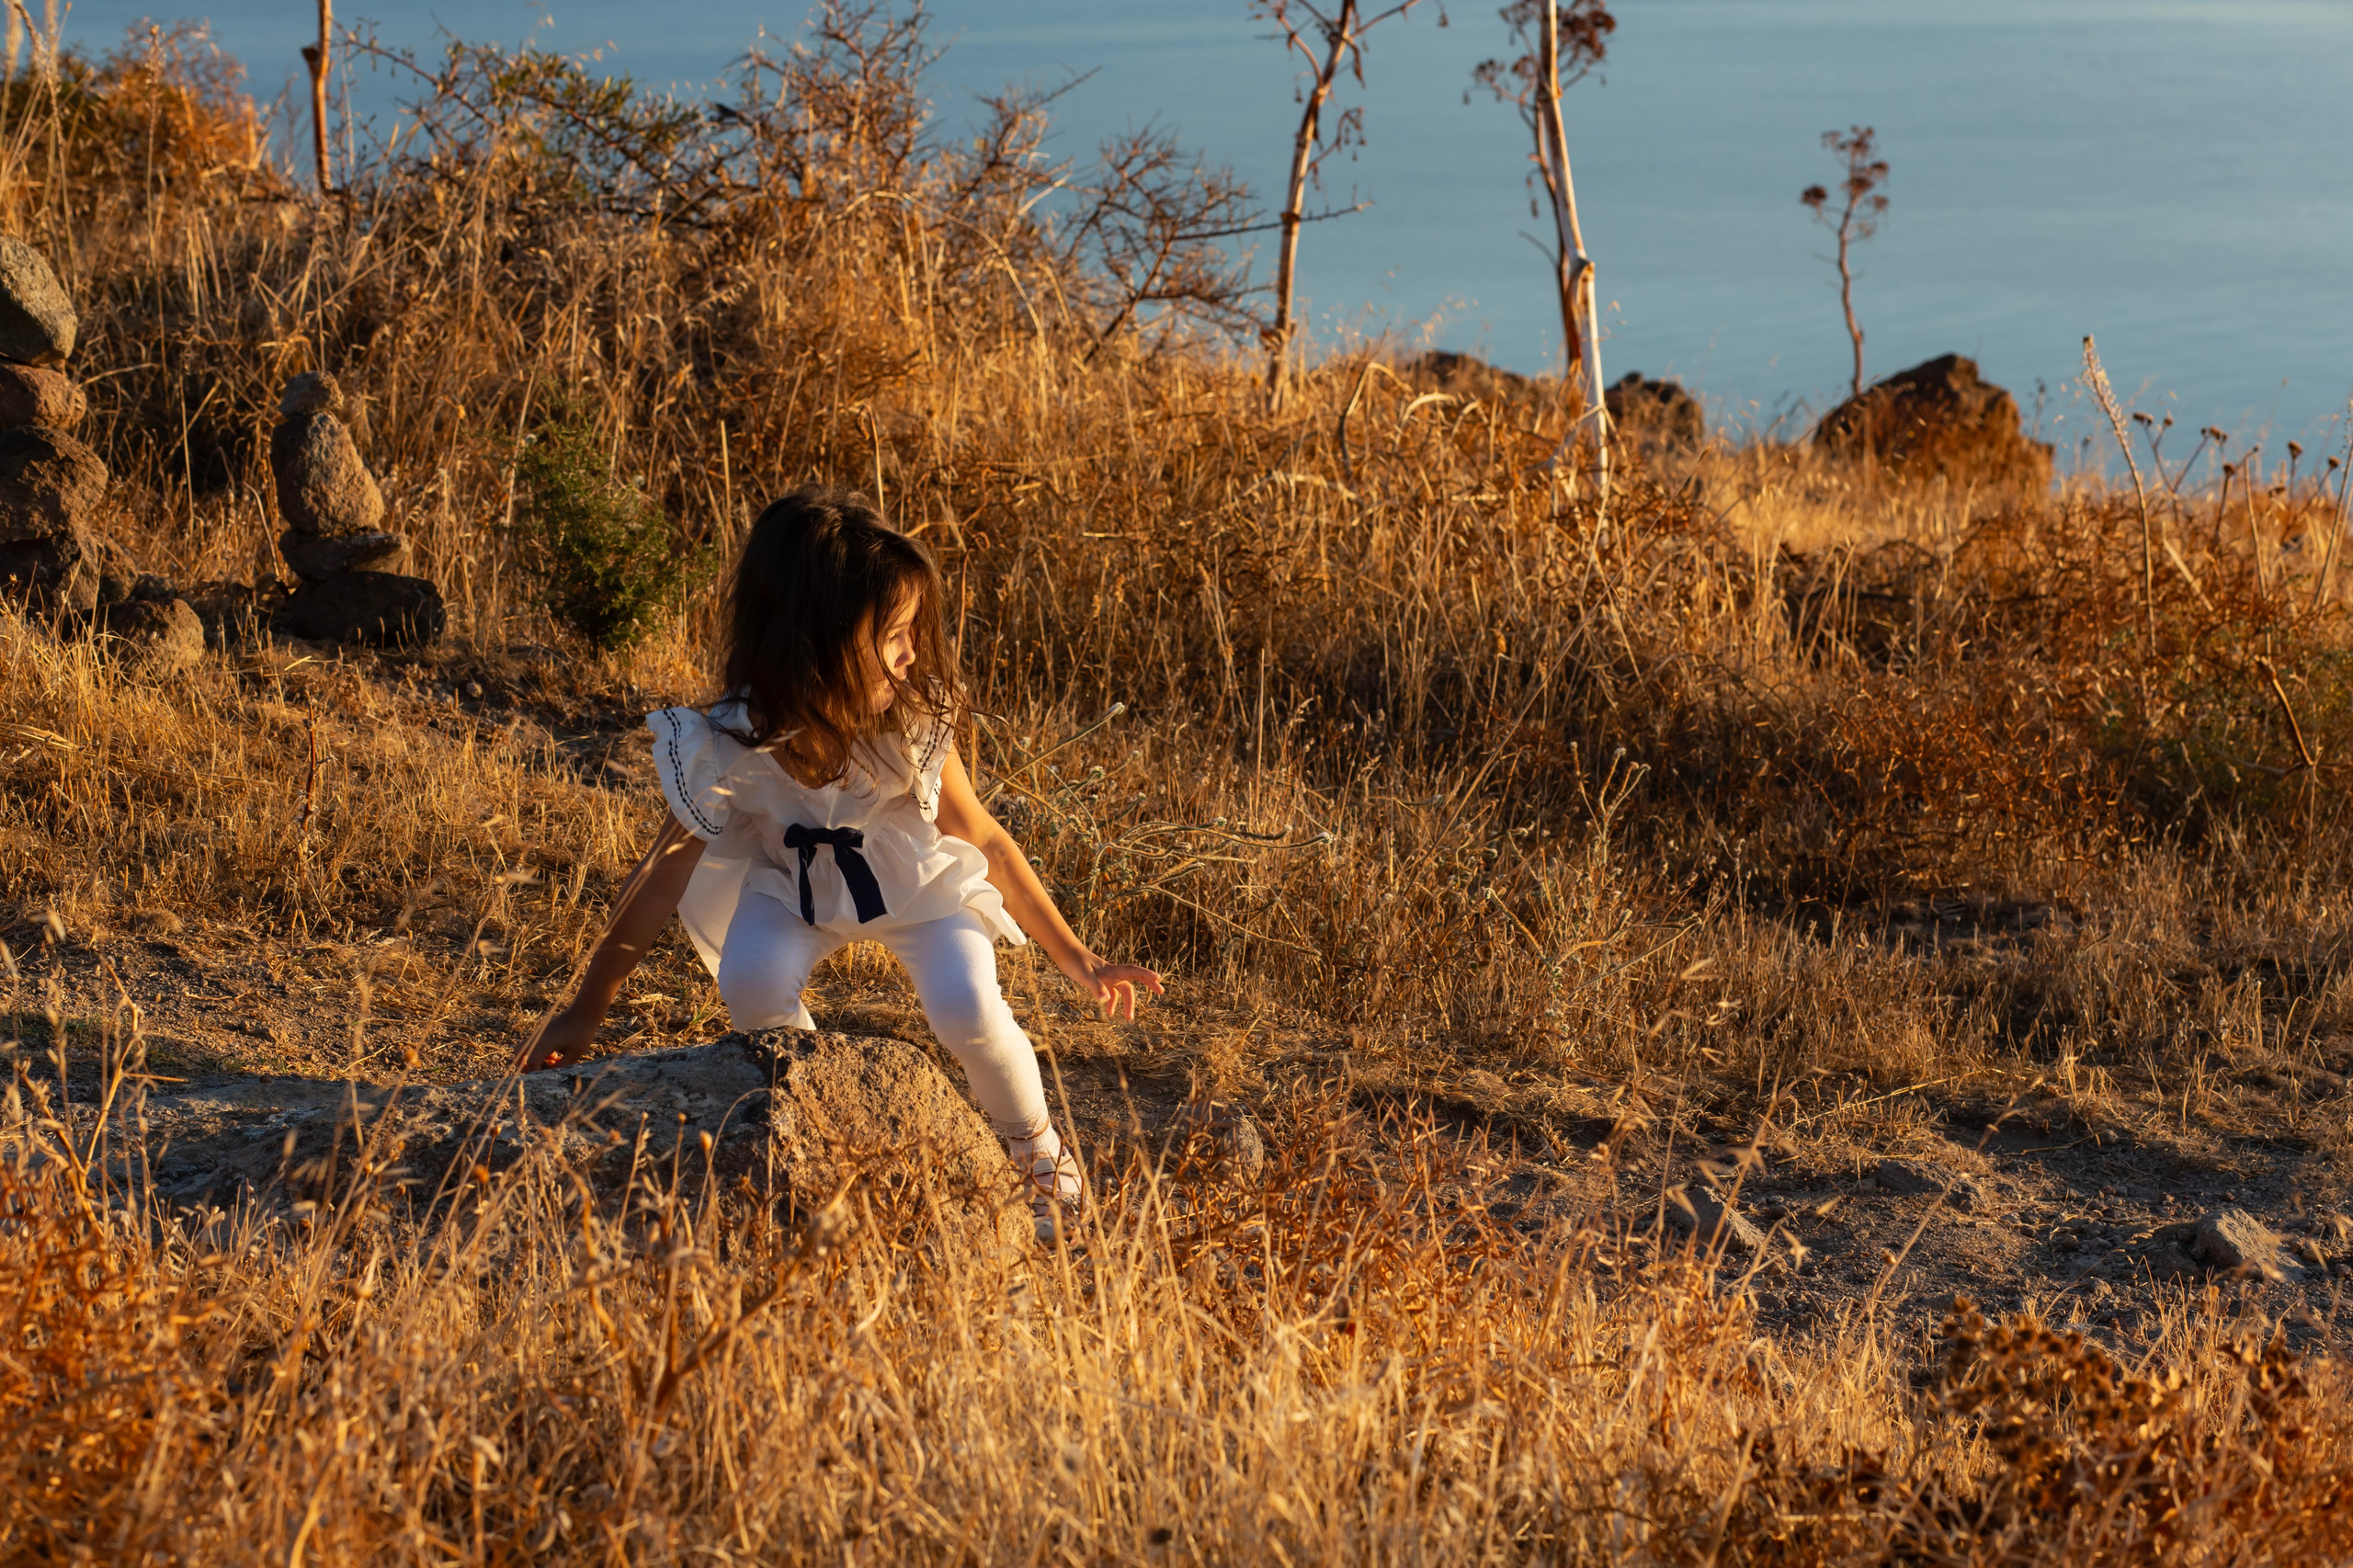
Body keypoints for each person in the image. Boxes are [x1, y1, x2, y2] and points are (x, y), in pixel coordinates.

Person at [517, 485, 1162, 1240]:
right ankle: (831, 1127)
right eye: (892, 636)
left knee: (968, 1008)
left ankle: (1036, 1150)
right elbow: (661, 877)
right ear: (815, 644)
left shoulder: (909, 723)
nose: (913, 653)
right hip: (793, 892)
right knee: (750, 980)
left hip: (920, 889)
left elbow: (985, 839)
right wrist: (587, 1003)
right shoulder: (728, 742)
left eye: (913, 631)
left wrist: (1080, 960)